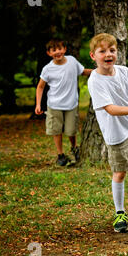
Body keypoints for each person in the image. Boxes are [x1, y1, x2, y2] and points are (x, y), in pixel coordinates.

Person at [87, 33, 128, 233]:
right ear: (93, 56)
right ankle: (120, 213)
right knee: (120, 172)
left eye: (112, 50)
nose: (108, 54)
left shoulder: (124, 72)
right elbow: (110, 109)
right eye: (102, 51)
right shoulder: (95, 80)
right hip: (116, 133)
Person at [35, 38, 92, 166]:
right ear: (49, 53)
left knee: (71, 130)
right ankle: (60, 155)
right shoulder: (48, 69)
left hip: (71, 104)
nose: (57, 52)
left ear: (65, 49)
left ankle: (74, 148)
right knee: (56, 130)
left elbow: (83, 72)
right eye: (53, 50)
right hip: (54, 105)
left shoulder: (72, 61)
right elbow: (40, 87)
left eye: (60, 48)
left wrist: (97, 72)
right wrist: (38, 104)